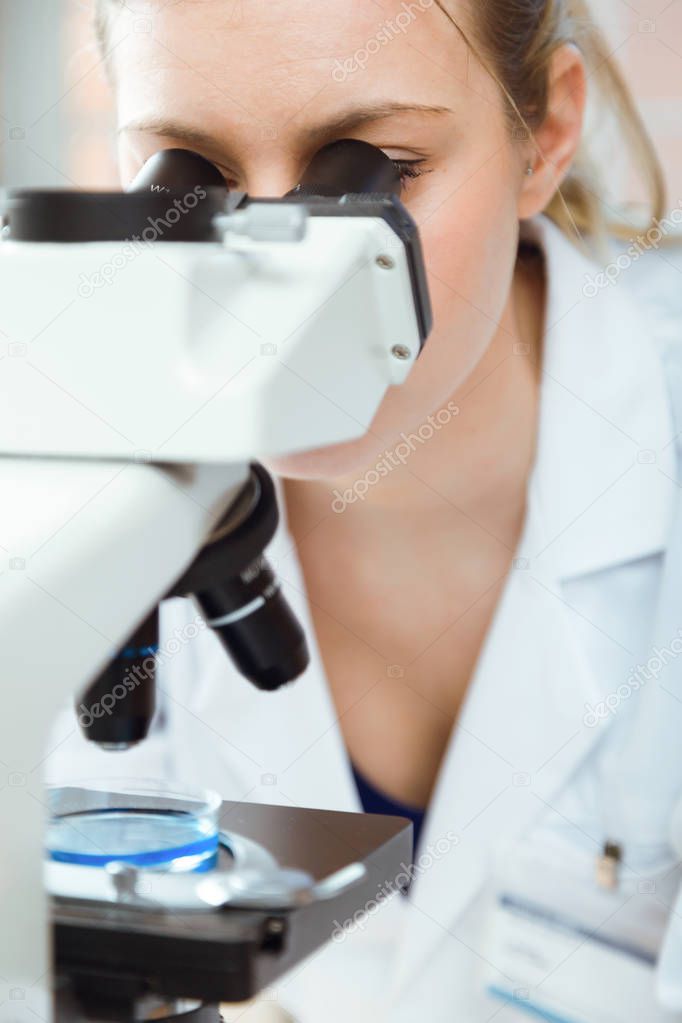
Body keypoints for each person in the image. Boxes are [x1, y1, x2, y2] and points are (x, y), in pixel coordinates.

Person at [51, 1, 682, 1019]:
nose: (273, 279)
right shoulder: (48, 461)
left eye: (373, 168)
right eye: (189, 172)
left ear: (545, 137)